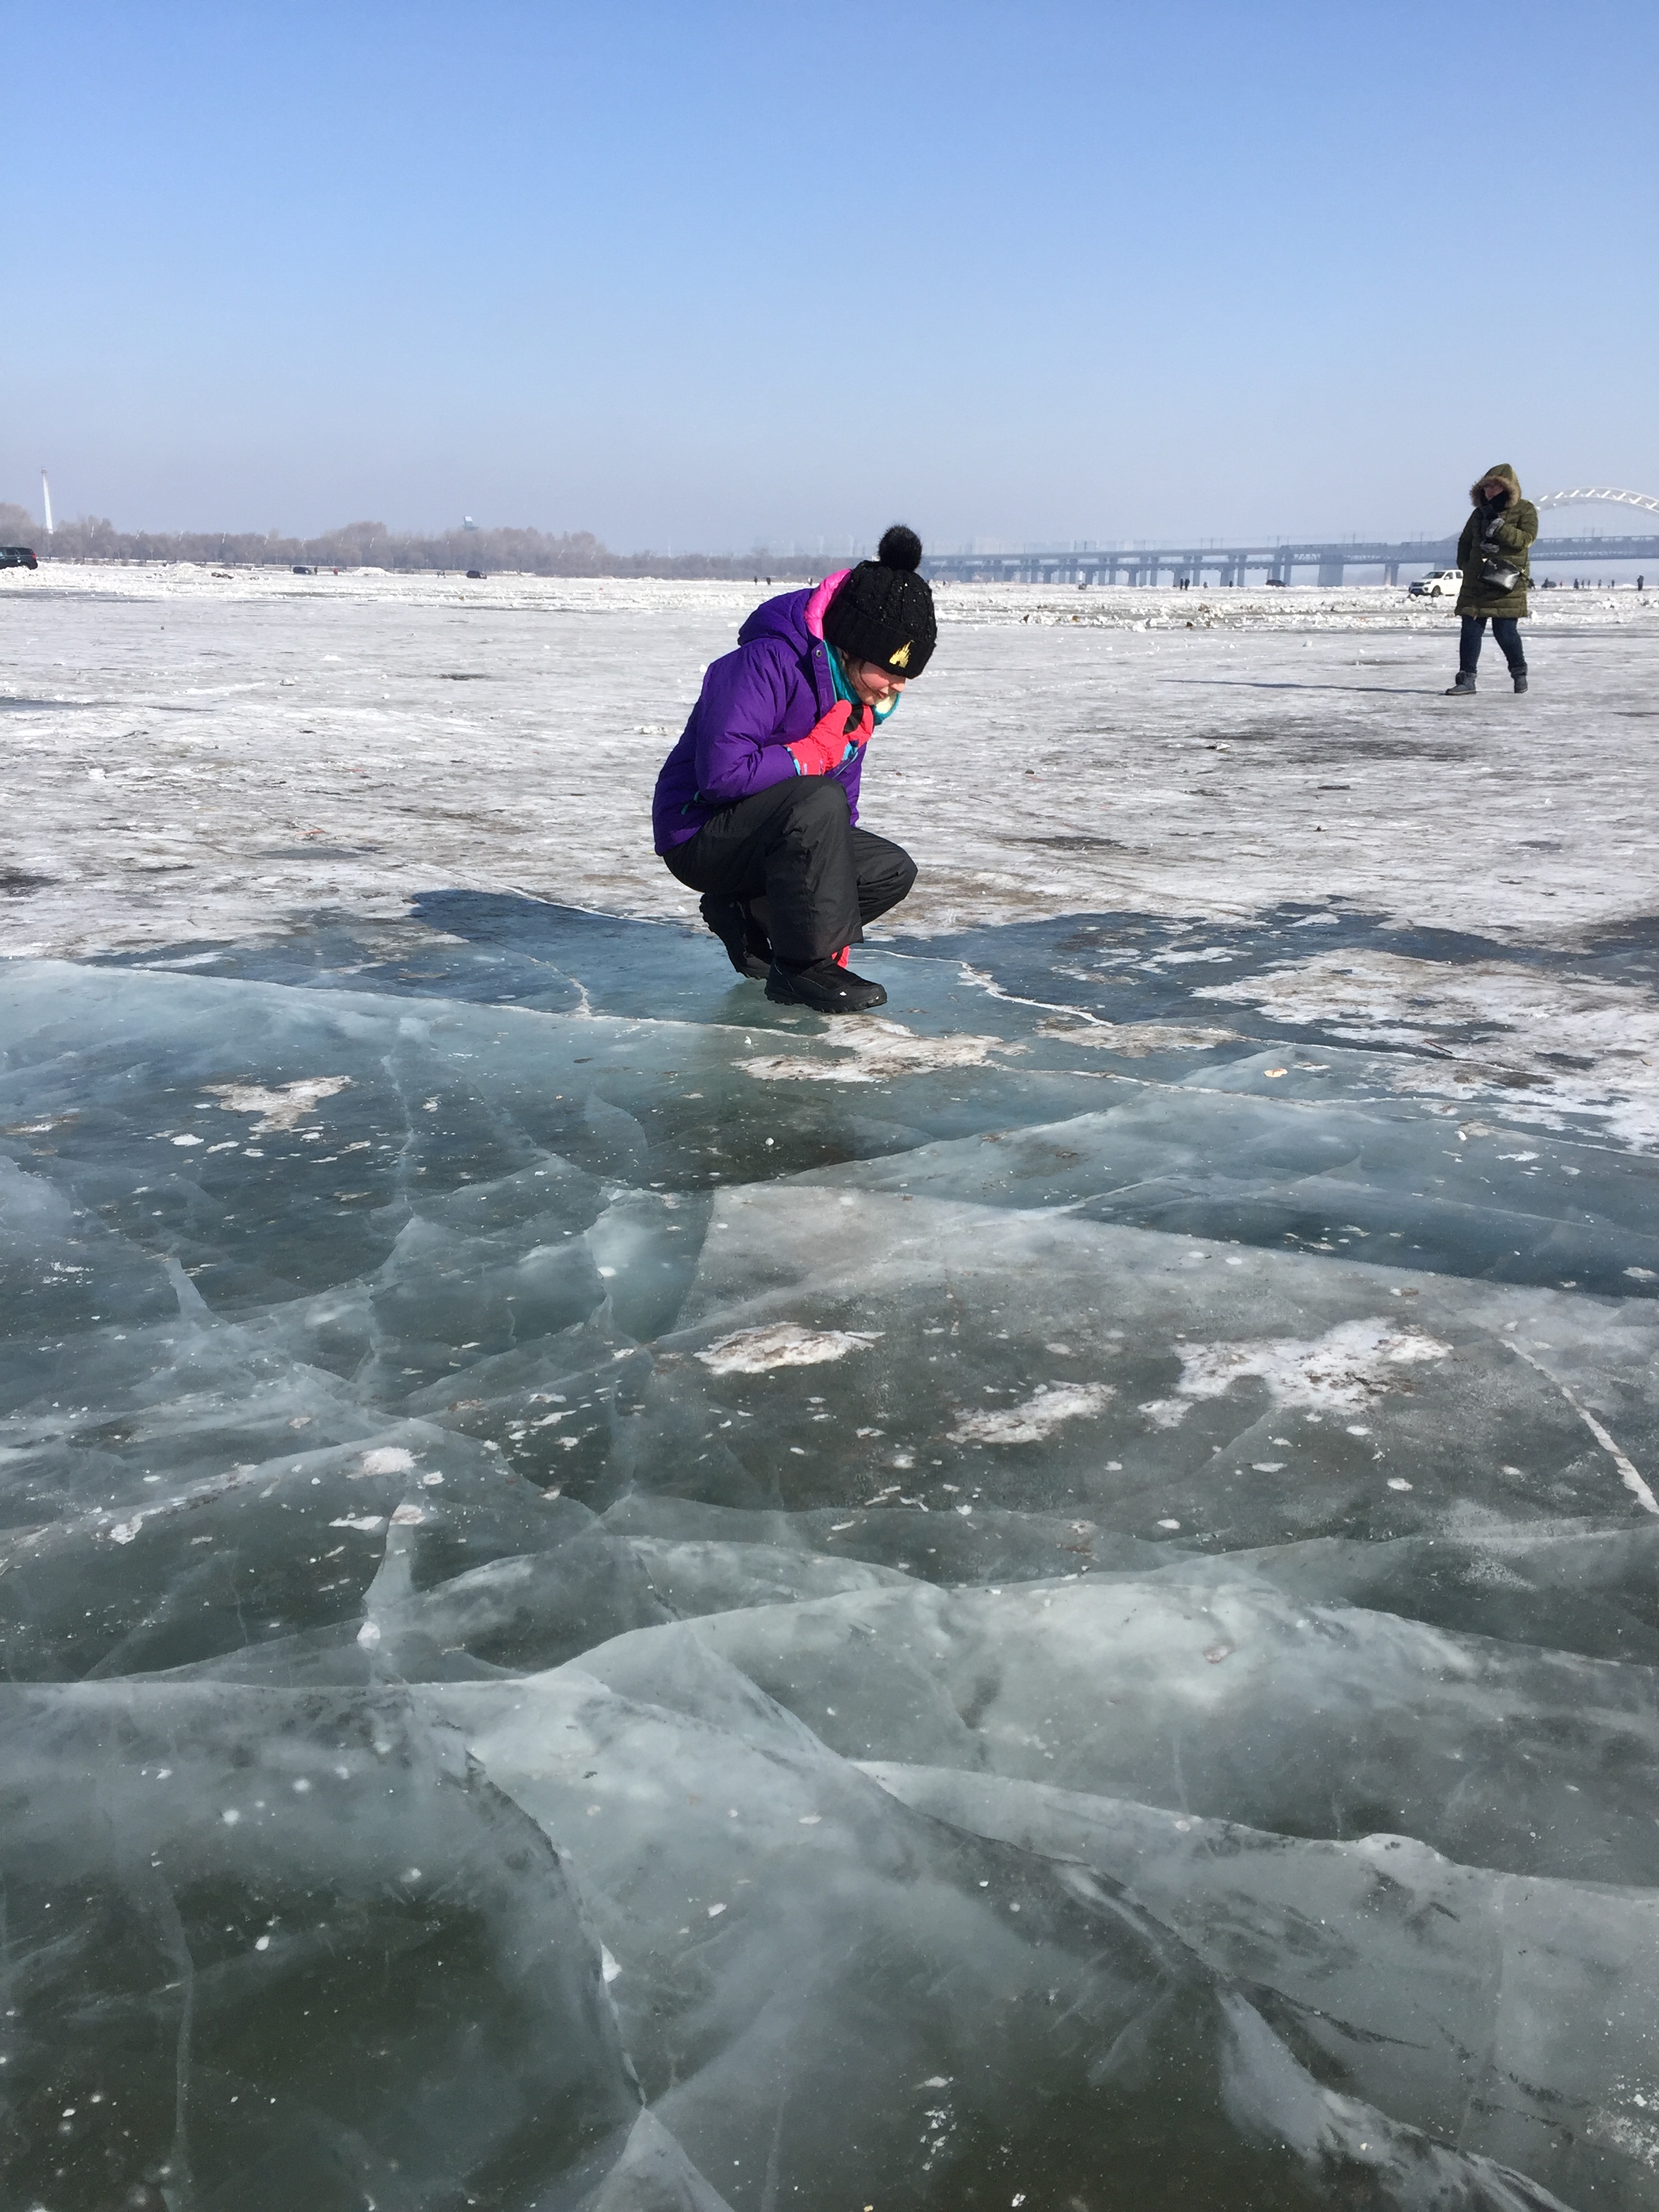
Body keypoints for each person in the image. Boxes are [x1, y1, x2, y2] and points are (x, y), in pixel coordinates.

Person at [652, 525, 936, 1014]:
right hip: (699, 833)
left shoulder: (855, 701)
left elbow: (840, 809)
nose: (896, 687)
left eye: (906, 676)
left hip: (772, 833)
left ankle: (746, 915)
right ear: (853, 646)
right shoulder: (765, 662)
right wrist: (809, 754)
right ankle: (801, 972)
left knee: (888, 871)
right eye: (890, 671)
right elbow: (721, 774)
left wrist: (831, 923)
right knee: (817, 797)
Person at [1446, 464, 1538, 695]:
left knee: (1505, 632)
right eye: (1486, 487)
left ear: (1508, 488)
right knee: (1470, 630)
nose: (1489, 491)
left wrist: (1501, 529)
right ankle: (1466, 679)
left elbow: (1526, 540)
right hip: (1476, 581)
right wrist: (1465, 565)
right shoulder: (1479, 513)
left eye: (1494, 486)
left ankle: (1519, 672)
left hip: (1505, 583)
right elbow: (1465, 541)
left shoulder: (1525, 509)